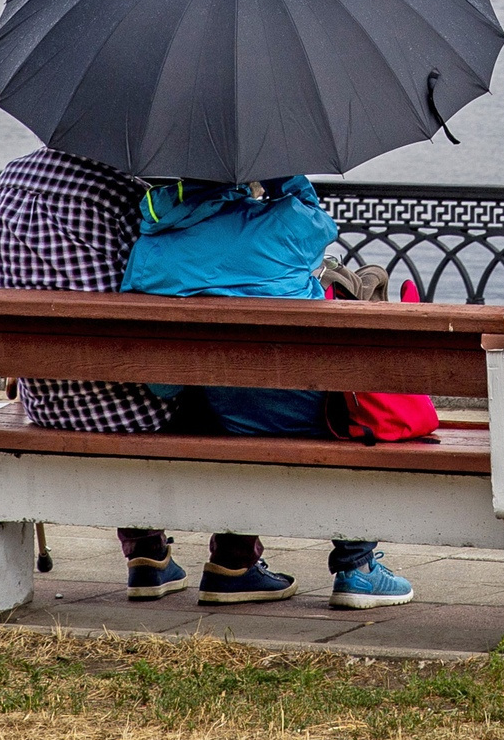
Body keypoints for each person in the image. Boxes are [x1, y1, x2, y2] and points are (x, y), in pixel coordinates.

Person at [0, 147, 293, 605]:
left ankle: (147, 555)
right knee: (234, 390)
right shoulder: (126, 196)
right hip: (130, 408)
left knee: (122, 366)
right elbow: (181, 277)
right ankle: (234, 560)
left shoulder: (10, 178)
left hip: (45, 398)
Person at [122, 175, 416, 610]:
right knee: (349, 419)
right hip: (304, 412)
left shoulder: (151, 244)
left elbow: (161, 383)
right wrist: (286, 176)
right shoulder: (285, 224)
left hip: (214, 415)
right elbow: (317, 221)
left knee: (227, 399)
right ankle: (357, 568)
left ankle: (232, 564)